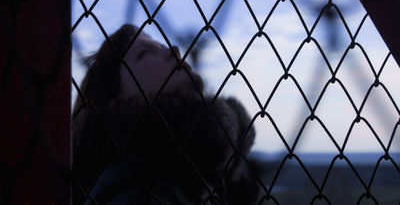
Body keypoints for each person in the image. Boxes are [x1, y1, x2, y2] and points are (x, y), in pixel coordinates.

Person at [72, 24, 260, 204]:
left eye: (162, 46)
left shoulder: (216, 174)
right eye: (144, 53)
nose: (175, 50)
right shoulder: (129, 191)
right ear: (115, 102)